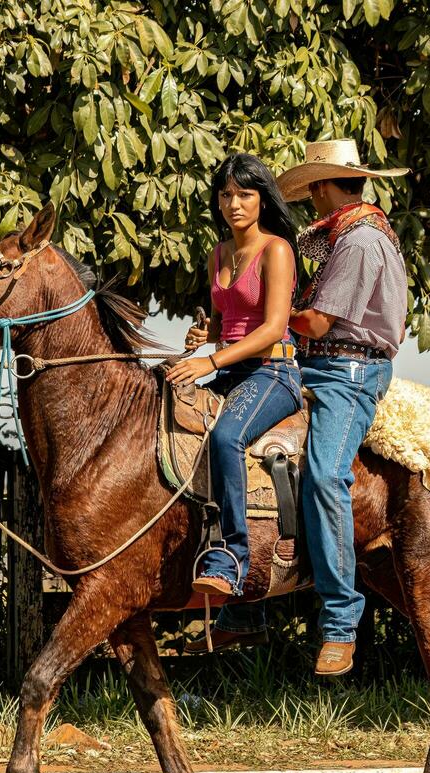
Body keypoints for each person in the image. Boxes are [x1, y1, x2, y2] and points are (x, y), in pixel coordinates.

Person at [184, 139, 410, 678]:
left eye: (313, 188)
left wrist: (270, 322)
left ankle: (338, 621)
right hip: (310, 364)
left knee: (327, 477)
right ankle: (250, 602)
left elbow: (317, 323)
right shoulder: (338, 236)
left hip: (345, 372)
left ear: (326, 186)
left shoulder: (358, 241)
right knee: (254, 461)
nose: (309, 199)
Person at [166, 153, 302, 598]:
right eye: (226, 195)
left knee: (226, 436)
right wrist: (205, 335)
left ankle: (234, 557)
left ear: (263, 199)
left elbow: (269, 328)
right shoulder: (218, 254)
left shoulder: (276, 249)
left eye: (245, 194)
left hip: (273, 371)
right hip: (231, 367)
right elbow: (230, 323)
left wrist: (210, 362)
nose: (234, 204)